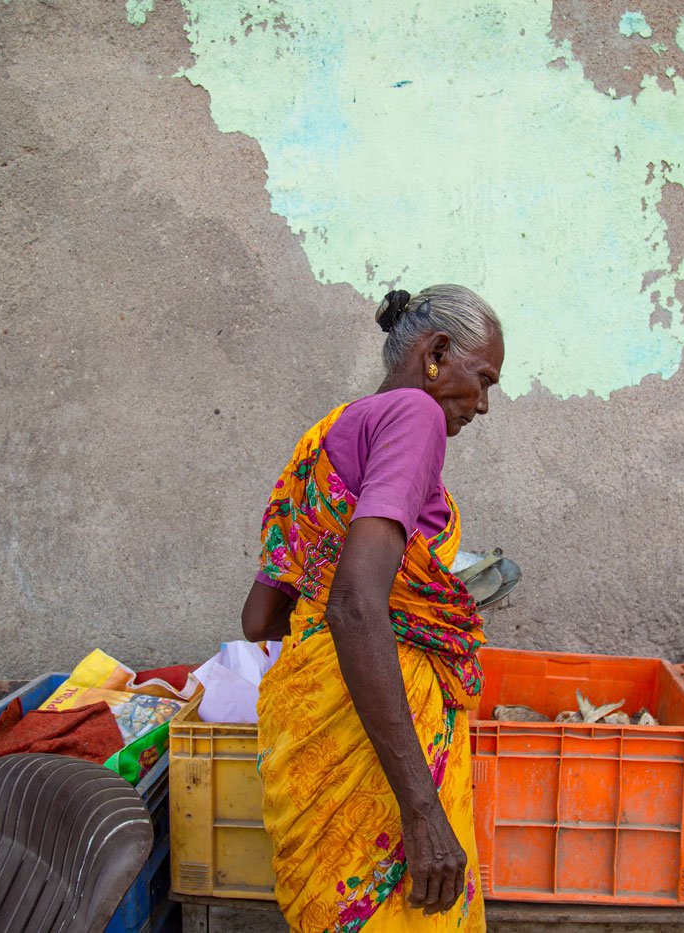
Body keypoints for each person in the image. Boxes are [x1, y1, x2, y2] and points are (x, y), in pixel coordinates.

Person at [241, 285, 504, 932]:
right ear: (438, 351)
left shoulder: (330, 432)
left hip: (310, 723)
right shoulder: (413, 416)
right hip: (380, 758)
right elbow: (357, 605)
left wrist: (402, 602)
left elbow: (260, 617)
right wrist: (420, 808)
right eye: (485, 378)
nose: (486, 404)